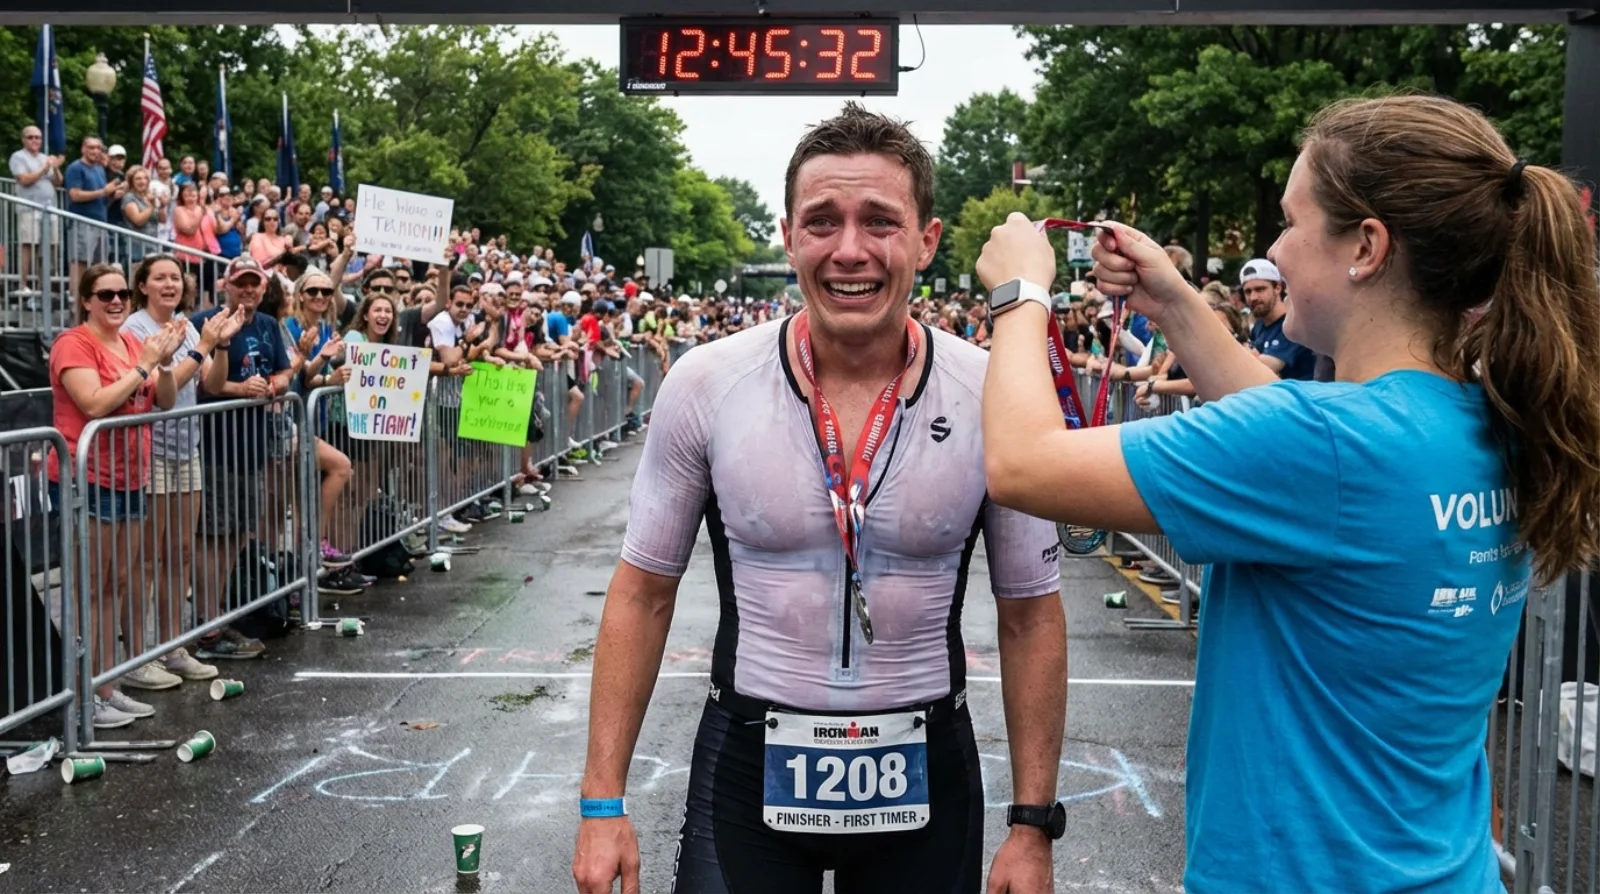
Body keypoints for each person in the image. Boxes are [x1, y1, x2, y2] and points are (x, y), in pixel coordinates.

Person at [975, 94, 1600, 892]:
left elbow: (1024, 464)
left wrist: (1021, 295)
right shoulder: (1485, 419)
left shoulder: (1325, 443)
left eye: (1290, 222)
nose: (1274, 248)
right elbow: (1285, 435)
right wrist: (1171, 298)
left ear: (1367, 247)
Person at [572, 103, 1067, 894]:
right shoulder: (706, 384)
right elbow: (641, 595)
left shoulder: (993, 392)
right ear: (789, 235)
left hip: (927, 771)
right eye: (822, 222)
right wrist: (602, 804)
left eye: (880, 221)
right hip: (747, 763)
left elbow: (1032, 612)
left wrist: (1033, 825)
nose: (850, 250)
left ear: (927, 240)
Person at [48, 263, 185, 727]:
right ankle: (89, 692)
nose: (116, 301)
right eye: (105, 294)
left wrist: (163, 364)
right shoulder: (74, 343)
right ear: (86, 299)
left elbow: (161, 400)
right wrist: (146, 363)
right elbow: (94, 403)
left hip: (130, 477)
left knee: (117, 584)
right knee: (93, 588)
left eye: (123, 294)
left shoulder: (130, 342)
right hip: (86, 478)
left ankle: (110, 684)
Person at [121, 255, 244, 691]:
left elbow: (211, 384)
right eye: (160, 278)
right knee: (147, 560)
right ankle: (137, 656)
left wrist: (222, 344)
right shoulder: (135, 328)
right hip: (149, 452)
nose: (170, 284)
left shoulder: (189, 326)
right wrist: (203, 346)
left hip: (185, 450)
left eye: (175, 277)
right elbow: (160, 395)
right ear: (143, 286)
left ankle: (174, 648)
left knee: (181, 554)